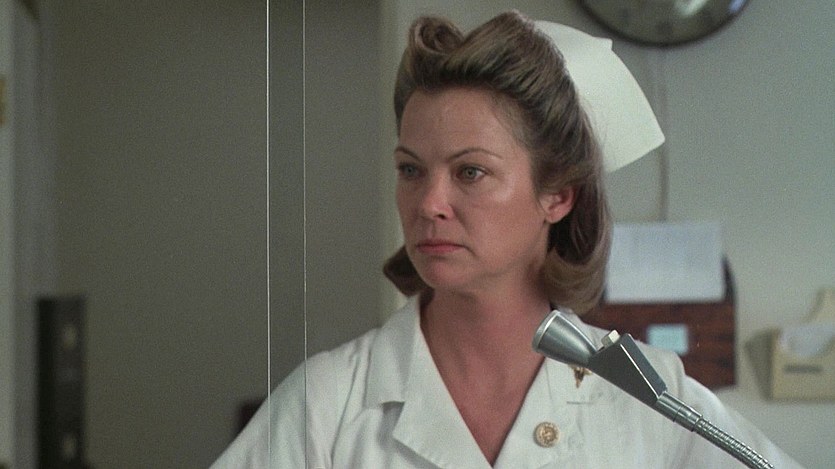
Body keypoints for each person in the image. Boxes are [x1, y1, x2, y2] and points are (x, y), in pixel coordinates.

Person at [211, 11, 802, 468]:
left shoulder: (650, 395)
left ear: (558, 196)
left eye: (470, 172)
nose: (429, 203)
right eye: (411, 169)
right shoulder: (325, 405)